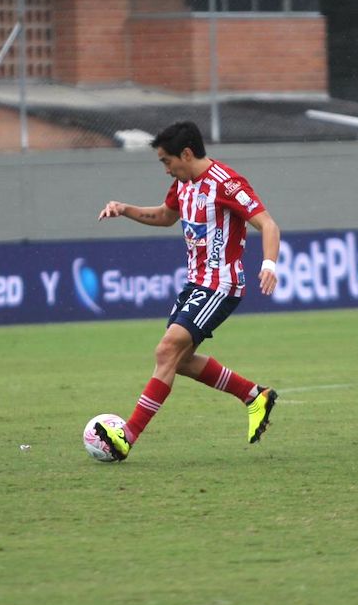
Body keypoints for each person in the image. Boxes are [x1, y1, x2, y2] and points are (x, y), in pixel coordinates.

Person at [93, 121, 281, 460]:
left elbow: (267, 223)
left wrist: (269, 264)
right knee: (177, 360)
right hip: (195, 283)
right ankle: (255, 396)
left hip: (221, 284)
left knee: (166, 351)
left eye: (167, 161)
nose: (166, 169)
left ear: (187, 153)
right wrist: (125, 209)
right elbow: (165, 217)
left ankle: (128, 435)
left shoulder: (227, 183)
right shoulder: (182, 185)